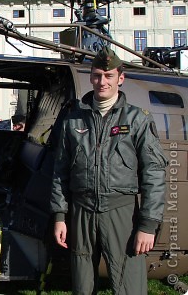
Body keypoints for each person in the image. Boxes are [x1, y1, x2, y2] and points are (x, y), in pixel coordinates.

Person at [50, 47, 167, 294]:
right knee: (83, 286)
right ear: (90, 78)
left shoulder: (137, 120)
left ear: (120, 78)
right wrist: (60, 216)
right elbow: (60, 172)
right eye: (96, 75)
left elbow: (154, 174)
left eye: (108, 75)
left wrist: (147, 225)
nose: (102, 82)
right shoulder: (72, 121)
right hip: (82, 211)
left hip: (121, 211)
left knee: (128, 286)